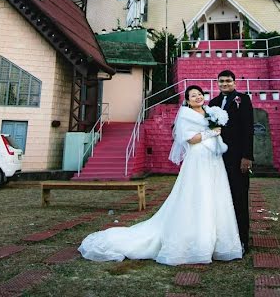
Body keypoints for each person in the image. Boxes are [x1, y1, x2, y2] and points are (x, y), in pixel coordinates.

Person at [78, 85, 242, 265]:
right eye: (193, 96)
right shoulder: (186, 116)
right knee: (197, 194)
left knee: (215, 194)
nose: (197, 97)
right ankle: (197, 241)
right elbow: (189, 139)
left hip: (213, 159)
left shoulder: (211, 112)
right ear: (187, 100)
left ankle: (217, 241)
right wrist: (211, 132)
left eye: (200, 94)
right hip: (198, 159)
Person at [207, 70, 254, 253]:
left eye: (228, 81)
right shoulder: (213, 103)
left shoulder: (243, 100)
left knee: (239, 197)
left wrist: (247, 156)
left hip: (237, 157)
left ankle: (242, 239)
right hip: (217, 159)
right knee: (220, 198)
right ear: (217, 83)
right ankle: (221, 237)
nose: (224, 84)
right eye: (221, 81)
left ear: (234, 82)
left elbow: (248, 129)